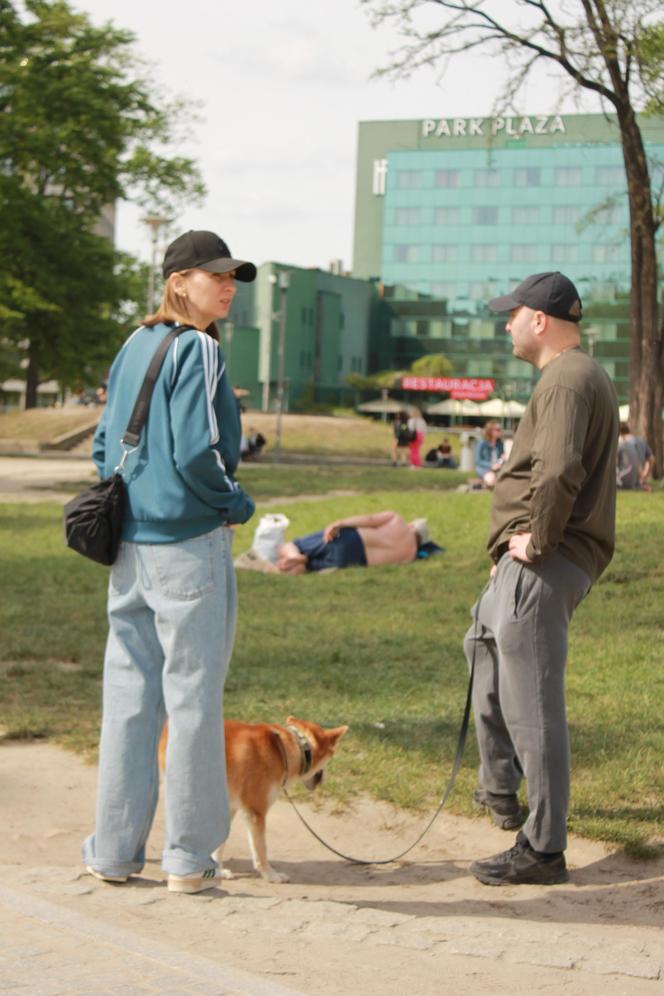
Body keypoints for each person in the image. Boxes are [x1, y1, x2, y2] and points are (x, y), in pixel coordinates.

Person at [83, 230, 257, 895]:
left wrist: (134, 497)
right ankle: (188, 858)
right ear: (178, 281)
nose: (228, 285)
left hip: (129, 548)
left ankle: (114, 852)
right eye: (216, 275)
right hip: (188, 547)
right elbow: (198, 453)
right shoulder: (200, 350)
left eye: (234, 277)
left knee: (128, 702)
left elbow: (104, 443)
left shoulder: (133, 345)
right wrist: (234, 503)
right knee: (191, 701)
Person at [464, 271, 617, 887]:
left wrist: (538, 540)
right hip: (531, 563)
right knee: (480, 647)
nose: (507, 324)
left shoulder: (566, 380)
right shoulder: (577, 376)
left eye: (513, 313)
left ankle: (543, 848)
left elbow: (557, 472)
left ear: (541, 320)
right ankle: (500, 788)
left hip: (544, 562)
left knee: (534, 705)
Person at [273, 511, 437, 574]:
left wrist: (340, 523)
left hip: (350, 539)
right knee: (304, 568)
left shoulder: (398, 521)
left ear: (412, 525)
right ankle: (301, 562)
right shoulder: (410, 555)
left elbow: (370, 519)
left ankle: (296, 555)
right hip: (352, 561)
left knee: (286, 547)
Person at [617, 422, 653, 490]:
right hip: (638, 479)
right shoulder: (641, 441)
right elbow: (651, 459)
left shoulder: (621, 441)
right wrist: (645, 475)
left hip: (625, 478)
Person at [474, 420, 505, 488]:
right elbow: (478, 461)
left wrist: (502, 459)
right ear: (490, 431)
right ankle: (483, 484)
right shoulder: (482, 443)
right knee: (492, 481)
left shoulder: (500, 444)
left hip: (498, 469)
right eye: (497, 430)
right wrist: (491, 465)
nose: (500, 431)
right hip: (484, 468)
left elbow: (500, 459)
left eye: (500, 429)